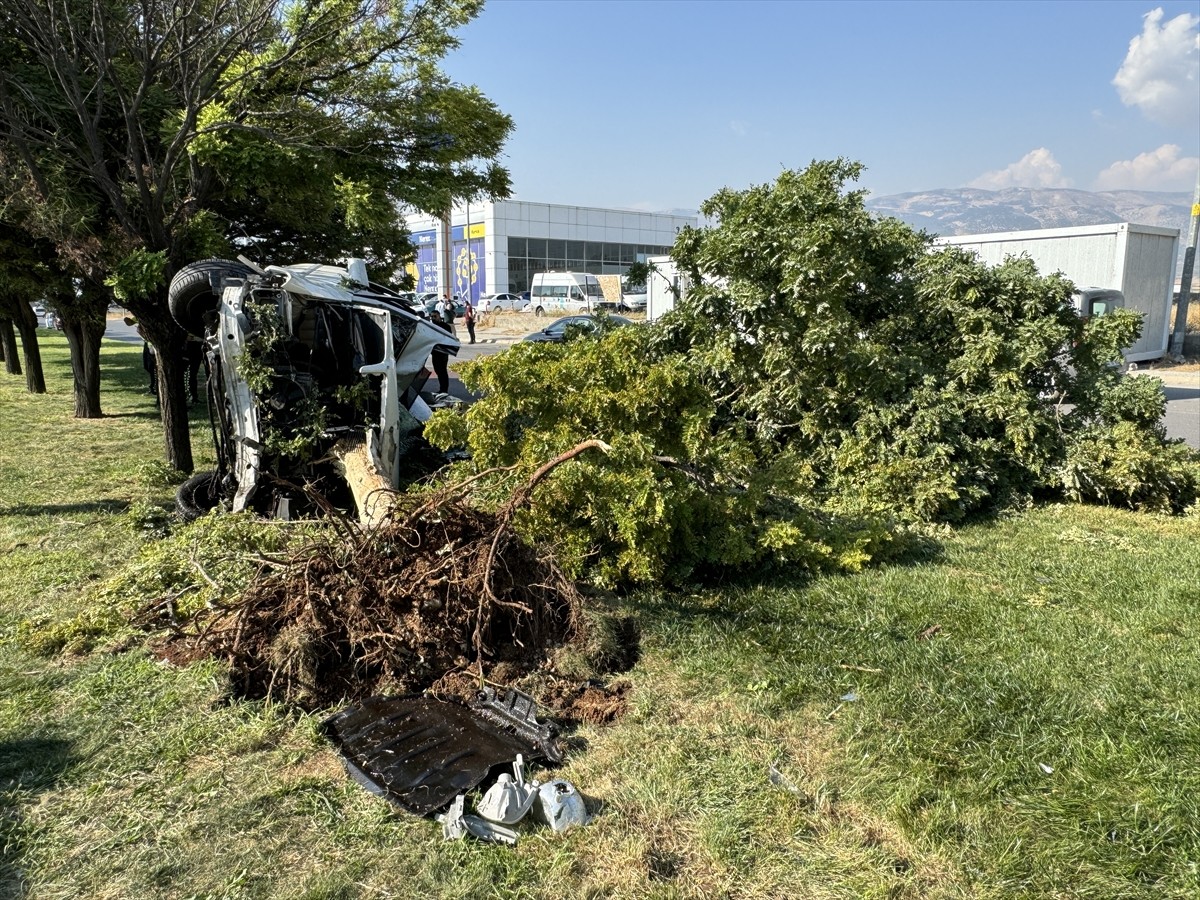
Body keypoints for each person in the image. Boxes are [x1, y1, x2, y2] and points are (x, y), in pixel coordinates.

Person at [428, 310, 452, 394]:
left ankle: (444, 390)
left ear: (439, 316)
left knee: (442, 371)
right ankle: (442, 389)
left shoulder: (445, 326)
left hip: (443, 352)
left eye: (435, 316)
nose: (433, 318)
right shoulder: (431, 327)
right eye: (432, 317)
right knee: (437, 370)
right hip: (435, 352)